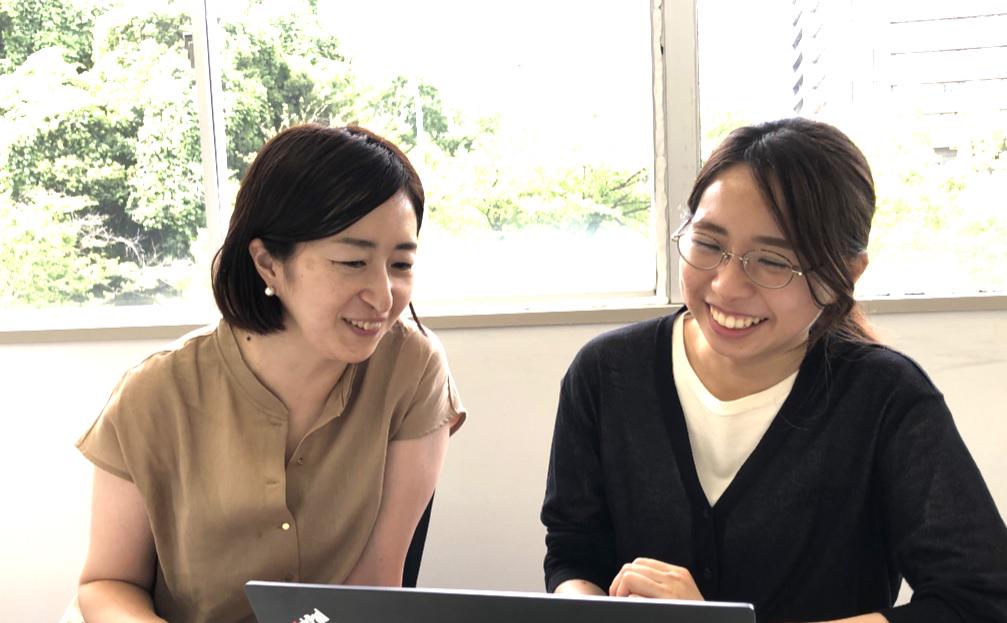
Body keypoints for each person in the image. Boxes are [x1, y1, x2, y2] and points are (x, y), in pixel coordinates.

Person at [540, 118, 1007, 622]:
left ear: (846, 274)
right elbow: (574, 552)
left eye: (773, 261)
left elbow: (978, 599)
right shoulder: (607, 374)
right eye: (708, 244)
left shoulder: (885, 399)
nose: (726, 286)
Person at [75, 124, 466, 623]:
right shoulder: (155, 394)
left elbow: (376, 582)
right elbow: (107, 583)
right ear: (268, 263)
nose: (383, 296)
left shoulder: (413, 368)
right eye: (352, 262)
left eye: (401, 264)